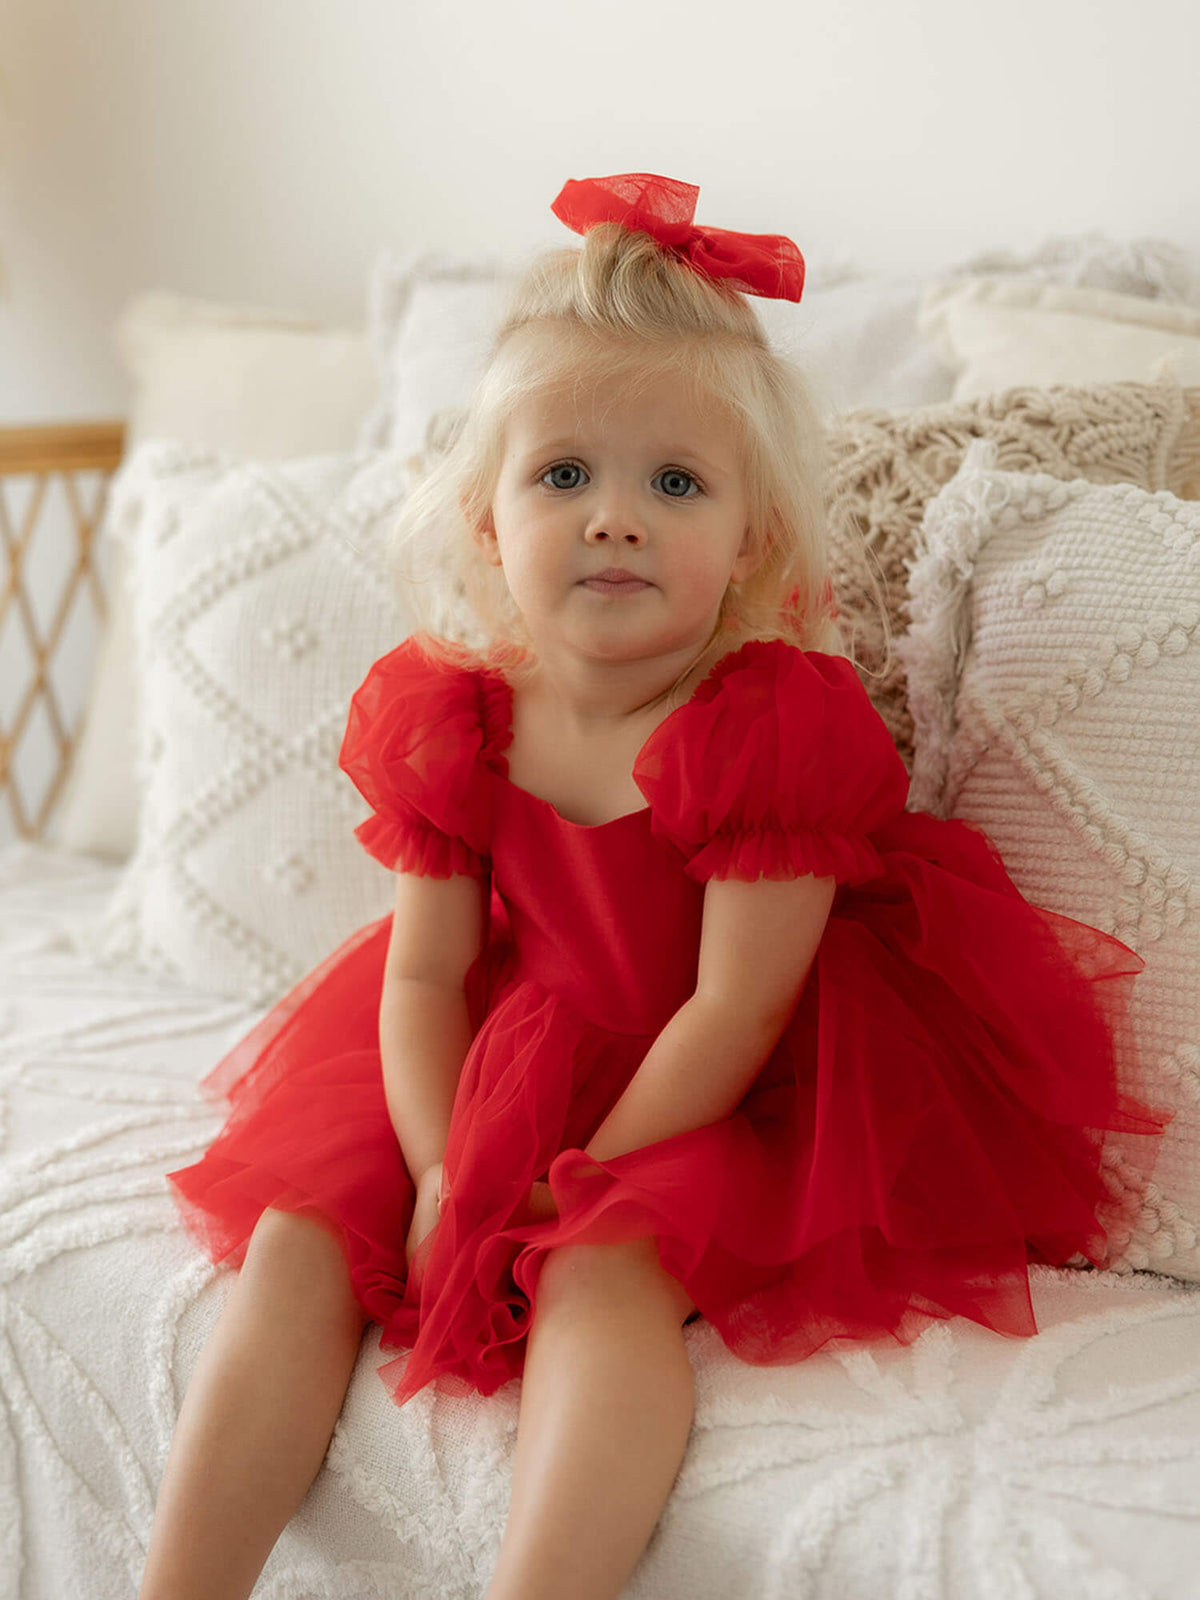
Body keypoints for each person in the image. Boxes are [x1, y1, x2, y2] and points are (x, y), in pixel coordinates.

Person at [137, 172, 1174, 1600]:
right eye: (564, 474)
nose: (614, 517)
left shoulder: (769, 725)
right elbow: (426, 971)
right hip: (509, 1043)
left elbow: (736, 1010)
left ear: (748, 537)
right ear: (492, 521)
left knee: (601, 1271)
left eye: (674, 483)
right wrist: (446, 1169)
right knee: (307, 1231)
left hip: (721, 1081)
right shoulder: (459, 712)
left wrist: (567, 1188)